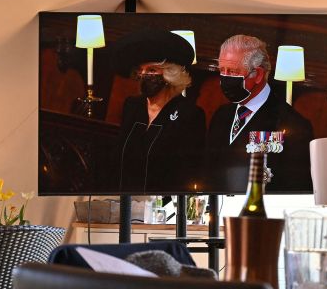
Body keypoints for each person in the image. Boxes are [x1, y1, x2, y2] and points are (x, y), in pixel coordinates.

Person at [206, 35, 313, 193]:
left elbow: (295, 189)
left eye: (233, 72)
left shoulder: (293, 124)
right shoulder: (221, 115)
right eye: (222, 70)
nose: (225, 78)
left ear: (258, 75)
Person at [112, 29, 206, 193]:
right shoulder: (132, 106)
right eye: (142, 70)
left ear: (170, 75)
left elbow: (188, 172)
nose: (144, 75)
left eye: (152, 70)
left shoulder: (189, 114)